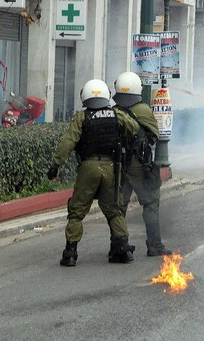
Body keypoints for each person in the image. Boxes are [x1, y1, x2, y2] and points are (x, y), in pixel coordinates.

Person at [47, 79, 140, 266]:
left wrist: (55, 165)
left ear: (85, 97)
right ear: (106, 95)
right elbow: (134, 128)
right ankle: (122, 250)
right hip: (112, 168)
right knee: (114, 211)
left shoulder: (82, 118)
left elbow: (68, 143)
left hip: (88, 168)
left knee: (77, 211)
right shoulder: (117, 114)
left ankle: (70, 254)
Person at [112, 71, 171, 256]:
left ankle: (118, 246)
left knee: (118, 207)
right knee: (151, 202)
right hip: (140, 166)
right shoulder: (144, 110)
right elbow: (154, 135)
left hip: (119, 166)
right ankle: (154, 245)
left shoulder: (114, 111)